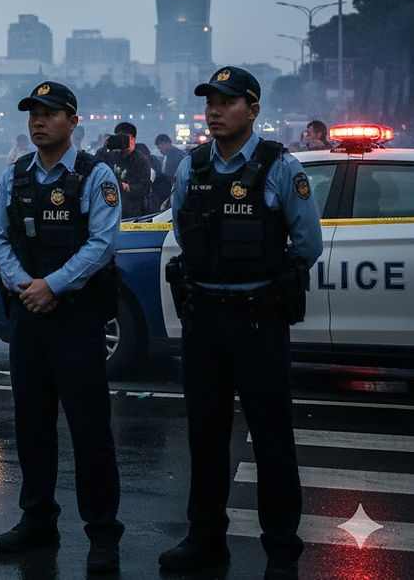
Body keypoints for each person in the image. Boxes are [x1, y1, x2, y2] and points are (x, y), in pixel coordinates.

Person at [159, 66, 322, 580]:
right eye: (210, 100)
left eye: (227, 102)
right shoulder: (193, 166)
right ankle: (205, 537)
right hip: (205, 321)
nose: (214, 109)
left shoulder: (280, 167)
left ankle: (281, 548)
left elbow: (308, 243)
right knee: (205, 436)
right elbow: (184, 229)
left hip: (258, 324)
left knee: (271, 437)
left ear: (253, 110)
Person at [0, 81, 124, 575]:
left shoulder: (96, 174)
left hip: (77, 320)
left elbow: (102, 243)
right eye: (32, 113)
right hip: (30, 316)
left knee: (89, 428)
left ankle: (102, 531)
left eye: (49, 113)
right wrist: (28, 284)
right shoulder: (16, 175)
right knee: (31, 424)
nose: (38, 121)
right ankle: (37, 518)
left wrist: (54, 286)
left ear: (72, 120)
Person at [98, 121, 152, 219]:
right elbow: (97, 164)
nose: (122, 141)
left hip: (133, 210)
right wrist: (106, 147)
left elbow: (146, 187)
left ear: (133, 139)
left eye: (125, 138)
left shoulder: (141, 160)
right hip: (113, 207)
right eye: (119, 138)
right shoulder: (112, 155)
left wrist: (127, 187)